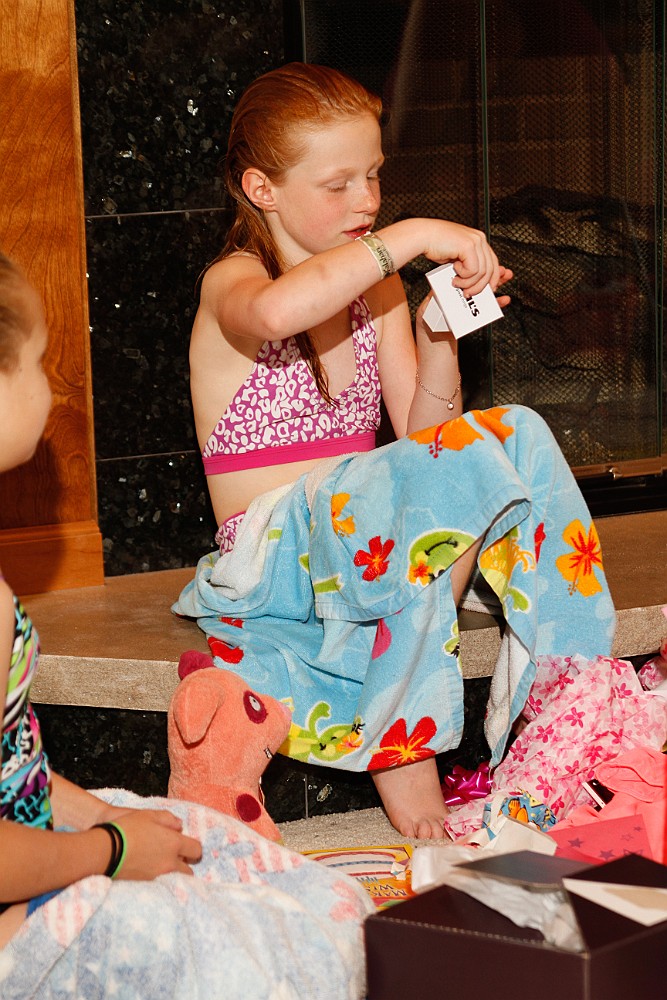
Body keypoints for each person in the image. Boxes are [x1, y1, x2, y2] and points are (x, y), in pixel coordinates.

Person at [175, 62, 616, 841]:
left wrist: (433, 337)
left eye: (374, 176)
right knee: (432, 491)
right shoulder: (234, 282)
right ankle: (405, 752)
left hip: (366, 541)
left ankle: (566, 699)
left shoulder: (375, 292)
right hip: (273, 559)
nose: (367, 200)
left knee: (510, 432)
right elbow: (277, 313)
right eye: (338, 184)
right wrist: (409, 236)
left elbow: (424, 443)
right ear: (261, 188)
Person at [0, 253, 373, 999]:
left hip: (38, 843)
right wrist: (108, 851)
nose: (54, 387)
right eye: (38, 363)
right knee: (287, 949)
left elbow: (14, 773)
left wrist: (104, 816)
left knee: (275, 877)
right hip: (19, 908)